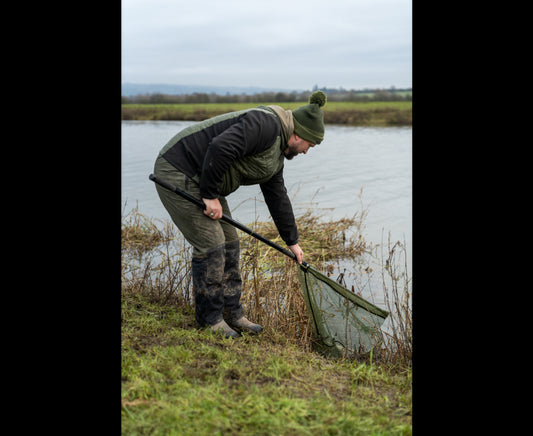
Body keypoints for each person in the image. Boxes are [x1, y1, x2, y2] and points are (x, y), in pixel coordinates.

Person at [152, 91, 326, 338]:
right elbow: (220, 146)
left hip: (206, 178)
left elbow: (277, 196)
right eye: (310, 145)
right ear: (298, 135)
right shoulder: (265, 125)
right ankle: (210, 320)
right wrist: (210, 196)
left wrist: (292, 241)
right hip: (179, 169)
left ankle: (232, 314)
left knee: (230, 242)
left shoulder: (277, 153)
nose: (307, 151)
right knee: (212, 244)